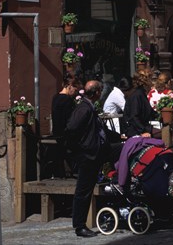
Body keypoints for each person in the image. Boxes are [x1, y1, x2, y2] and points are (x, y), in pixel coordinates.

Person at [64, 80, 109, 238]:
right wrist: (81, 147)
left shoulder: (88, 106)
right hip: (87, 155)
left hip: (92, 153)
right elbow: (71, 128)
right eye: (101, 90)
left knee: (86, 189)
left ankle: (80, 224)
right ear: (97, 93)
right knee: (83, 190)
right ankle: (80, 226)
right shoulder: (84, 108)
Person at [51, 73, 81, 178]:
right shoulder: (67, 100)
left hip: (57, 133)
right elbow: (71, 120)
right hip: (66, 135)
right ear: (69, 86)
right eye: (75, 89)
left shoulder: (55, 97)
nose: (75, 93)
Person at [122, 71, 156, 138]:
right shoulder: (137, 95)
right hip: (135, 131)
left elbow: (151, 113)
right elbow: (134, 117)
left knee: (166, 132)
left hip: (143, 128)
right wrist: (143, 131)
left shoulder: (142, 94)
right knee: (164, 134)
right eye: (151, 80)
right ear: (146, 82)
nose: (153, 83)